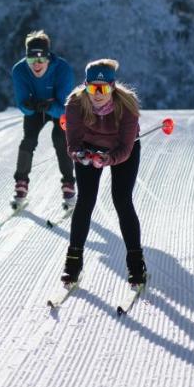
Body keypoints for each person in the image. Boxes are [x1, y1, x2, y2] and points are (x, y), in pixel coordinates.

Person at [60, 58, 147, 288]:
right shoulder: (75, 104)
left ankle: (136, 263)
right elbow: (72, 144)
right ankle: (73, 262)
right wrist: (80, 155)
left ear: (113, 87)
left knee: (122, 199)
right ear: (85, 85)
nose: (97, 94)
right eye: (92, 88)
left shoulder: (128, 106)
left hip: (122, 150)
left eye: (103, 88)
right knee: (85, 200)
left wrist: (109, 159)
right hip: (89, 149)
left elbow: (126, 149)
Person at [9, 30, 76, 209]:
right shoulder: (19, 70)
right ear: (26, 59)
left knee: (61, 139)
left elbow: (65, 109)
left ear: (48, 58)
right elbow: (22, 104)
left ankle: (69, 184)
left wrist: (50, 107)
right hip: (36, 108)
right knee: (28, 140)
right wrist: (29, 106)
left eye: (41, 59)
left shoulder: (63, 69)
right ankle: (21, 184)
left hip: (58, 107)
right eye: (31, 60)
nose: (36, 64)